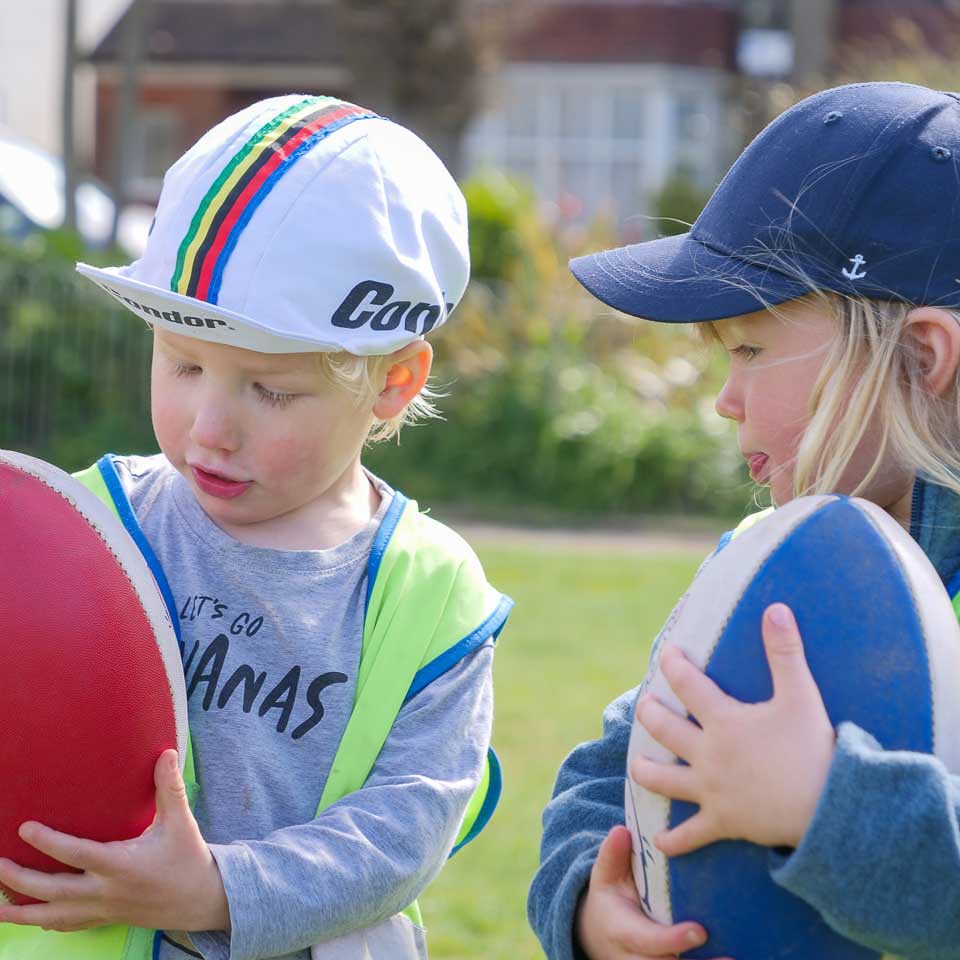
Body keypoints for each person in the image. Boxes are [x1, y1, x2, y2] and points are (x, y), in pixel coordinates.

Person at [0, 95, 512, 960]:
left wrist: (214, 892)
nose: (210, 426)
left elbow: (404, 832)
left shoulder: (432, 594)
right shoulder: (75, 529)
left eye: (270, 390)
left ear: (391, 383)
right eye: (183, 362)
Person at [528, 81, 960, 960]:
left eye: (752, 350)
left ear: (919, 357)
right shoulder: (772, 565)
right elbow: (617, 768)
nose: (725, 400)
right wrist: (588, 896)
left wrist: (823, 805)